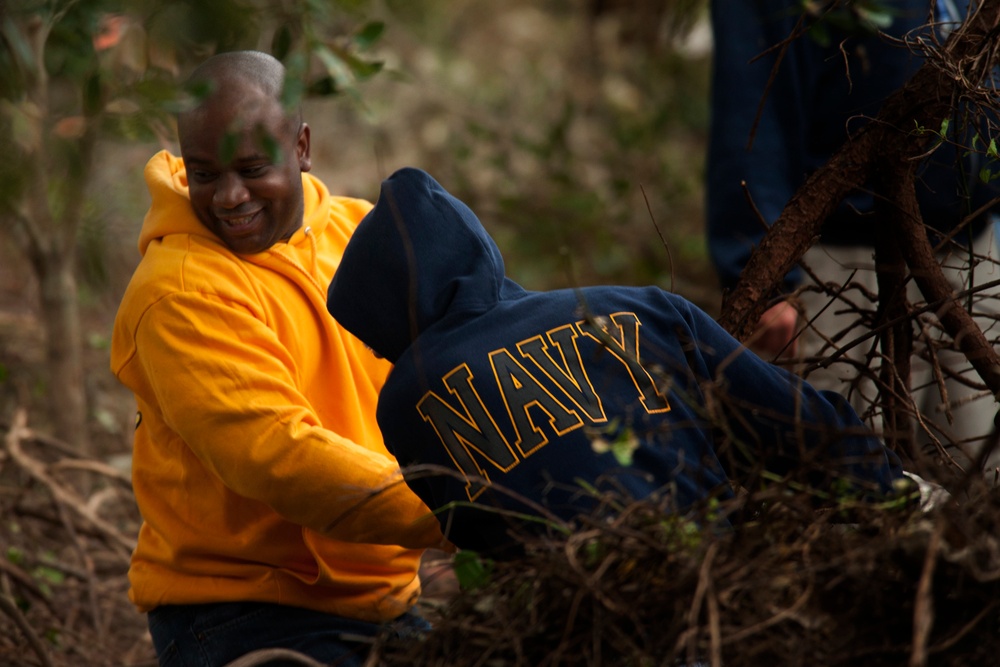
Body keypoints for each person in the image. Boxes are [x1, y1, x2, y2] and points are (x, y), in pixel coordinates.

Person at [325, 167, 908, 557]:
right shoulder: (635, 306)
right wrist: (898, 497)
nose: (385, 355)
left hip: (584, 624)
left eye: (377, 340)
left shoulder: (406, 402)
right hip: (720, 592)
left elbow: (475, 535)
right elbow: (796, 423)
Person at [110, 51, 450, 667]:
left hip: (381, 602)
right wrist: (461, 507)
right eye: (205, 174)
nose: (229, 197)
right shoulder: (180, 289)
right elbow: (279, 456)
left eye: (251, 168)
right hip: (238, 613)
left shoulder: (359, 234)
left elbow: (466, 351)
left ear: (302, 147)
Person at [706, 0, 1000, 472]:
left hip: (976, 248)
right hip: (841, 263)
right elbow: (751, 103)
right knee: (854, 476)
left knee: (980, 477)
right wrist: (759, 273)